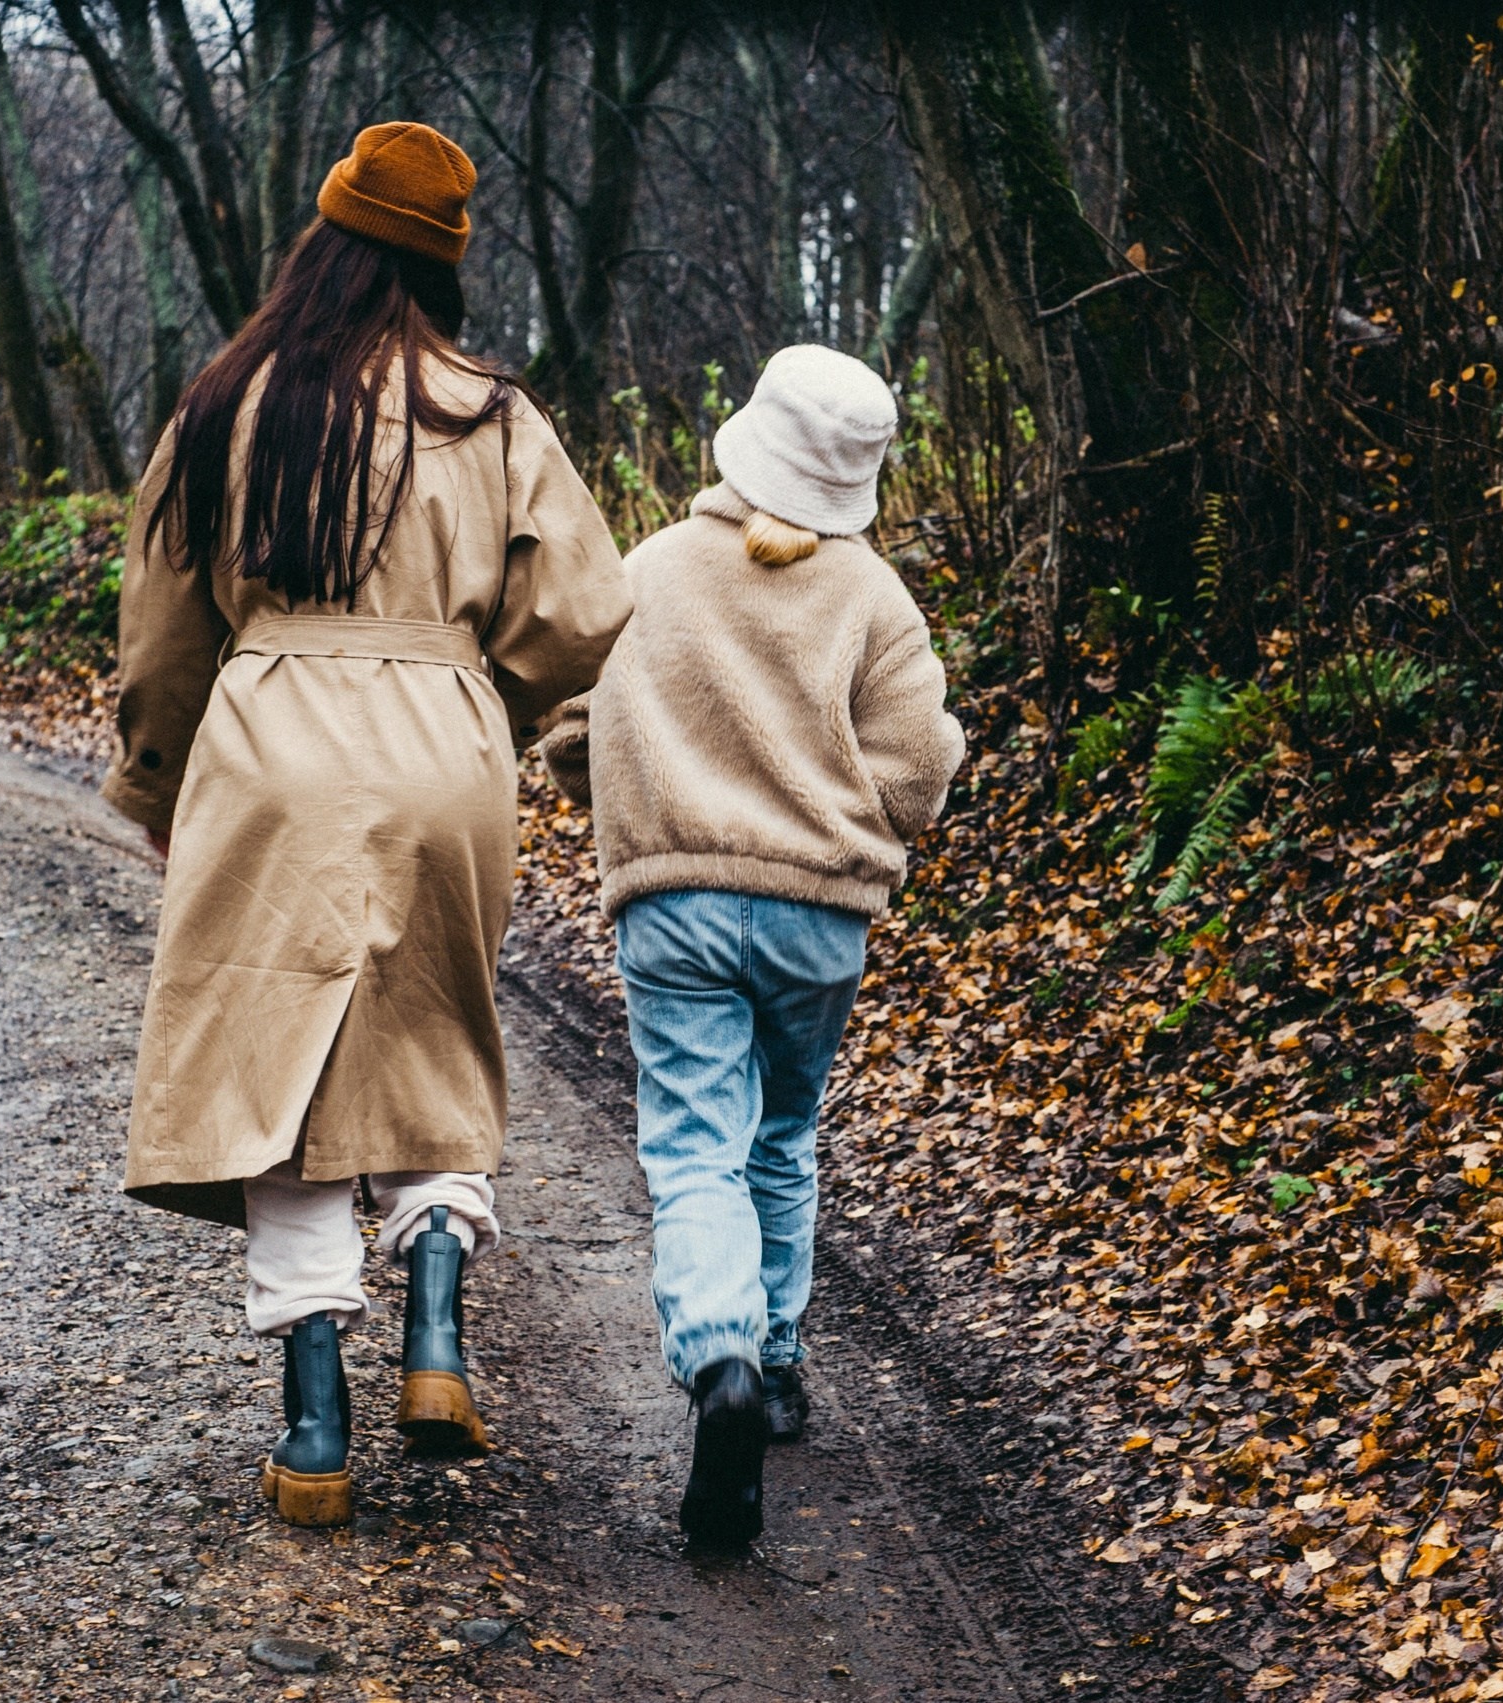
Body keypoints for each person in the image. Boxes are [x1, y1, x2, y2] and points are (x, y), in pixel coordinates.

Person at [101, 121, 631, 1528]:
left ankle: (317, 1424)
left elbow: (164, 631)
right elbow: (582, 619)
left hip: (270, 745)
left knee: (269, 1071)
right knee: (432, 1033)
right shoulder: (490, 411)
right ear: (441, 265)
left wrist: (159, 783)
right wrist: (503, 717)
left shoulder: (229, 398)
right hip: (445, 749)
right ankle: (437, 1330)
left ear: (321, 241)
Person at [541, 345, 964, 1545]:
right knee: (779, 1133)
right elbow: (920, 768)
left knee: (694, 1149)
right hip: (818, 917)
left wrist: (625, 787)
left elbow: (568, 728)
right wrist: (855, 824)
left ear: (747, 436)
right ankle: (774, 1367)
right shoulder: (874, 596)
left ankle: (718, 1353)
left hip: (672, 900)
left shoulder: (651, 570)